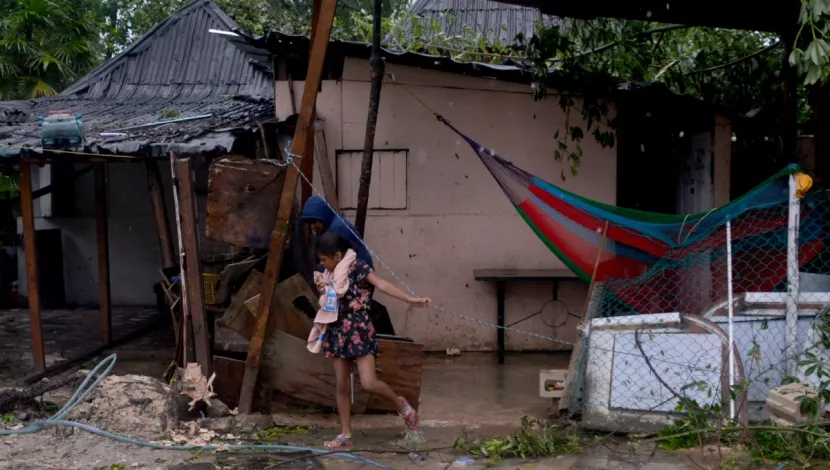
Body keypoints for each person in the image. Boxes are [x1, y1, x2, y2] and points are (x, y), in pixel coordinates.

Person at [314, 232, 430, 448]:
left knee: (368, 383)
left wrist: (410, 299)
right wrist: (323, 288)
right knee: (341, 385)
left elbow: (383, 285)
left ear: (338, 255)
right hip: (337, 330)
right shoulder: (328, 275)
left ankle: (401, 404)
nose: (322, 264)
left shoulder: (357, 267)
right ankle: (345, 434)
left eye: (324, 259)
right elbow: (328, 300)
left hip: (358, 329)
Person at [300, 195, 373, 269]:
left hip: (359, 271)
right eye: (309, 223)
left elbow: (332, 259)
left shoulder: (338, 229)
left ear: (323, 216)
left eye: (314, 221)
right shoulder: (326, 226)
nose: (312, 226)